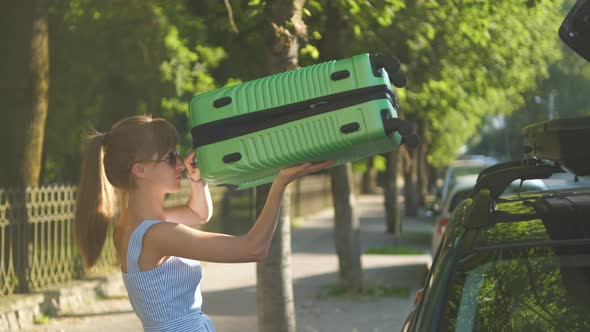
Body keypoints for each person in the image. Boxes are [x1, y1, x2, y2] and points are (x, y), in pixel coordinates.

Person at [73, 115, 332, 332]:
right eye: (169, 157)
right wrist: (279, 184)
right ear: (139, 170)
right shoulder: (157, 234)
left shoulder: (135, 227)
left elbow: (198, 214)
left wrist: (198, 181)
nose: (179, 163)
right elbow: (253, 248)